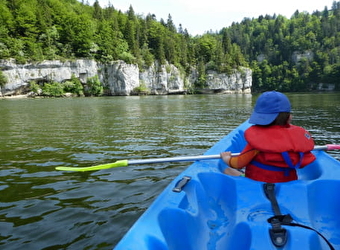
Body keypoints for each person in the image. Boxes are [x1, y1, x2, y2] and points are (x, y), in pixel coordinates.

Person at [220, 91, 316, 183]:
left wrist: (227, 158)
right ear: (289, 117)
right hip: (288, 182)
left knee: (228, 170)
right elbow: (303, 163)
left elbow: (238, 163)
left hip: (257, 182)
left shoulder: (258, 141)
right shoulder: (296, 141)